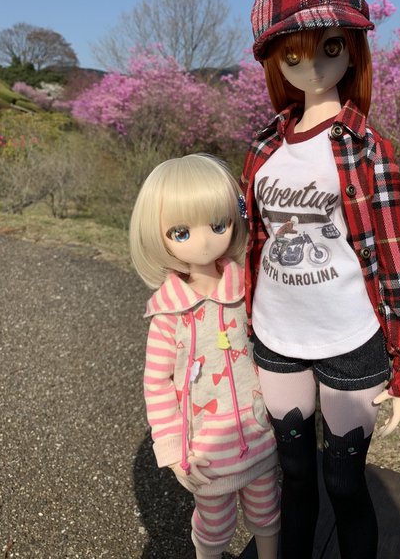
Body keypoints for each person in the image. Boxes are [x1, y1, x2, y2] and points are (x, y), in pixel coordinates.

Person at [241, 0, 400, 559]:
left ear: (353, 50)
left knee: (344, 484)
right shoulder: (264, 147)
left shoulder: (369, 150)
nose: (313, 66)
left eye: (332, 47)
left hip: (350, 339)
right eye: (293, 54)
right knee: (294, 476)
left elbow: (394, 262)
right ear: (275, 61)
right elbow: (253, 244)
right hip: (276, 336)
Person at [130, 154, 280, 559]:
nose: (204, 241)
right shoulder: (169, 314)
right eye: (181, 232)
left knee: (267, 513)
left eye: (218, 225)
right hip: (205, 452)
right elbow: (156, 383)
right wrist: (173, 450)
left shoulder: (246, 286)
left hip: (259, 434)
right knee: (213, 528)